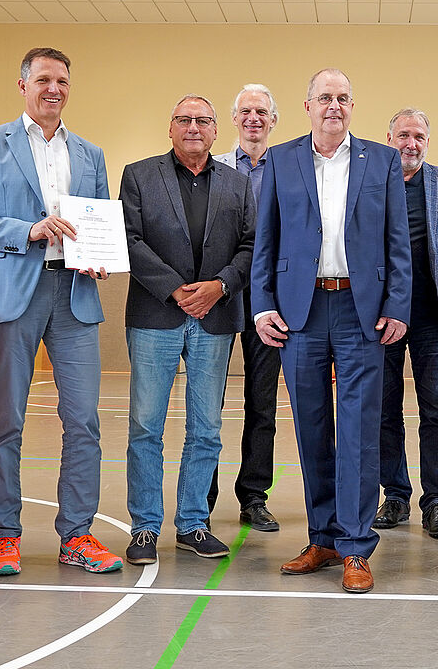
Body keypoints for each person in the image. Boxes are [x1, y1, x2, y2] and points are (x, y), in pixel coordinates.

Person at [0, 46, 123, 576]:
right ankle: (3, 534)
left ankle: (77, 535)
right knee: (5, 421)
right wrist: (27, 229)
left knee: (85, 422)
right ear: (23, 85)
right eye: (44, 79)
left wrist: (98, 259)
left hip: (74, 298)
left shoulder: (91, 155)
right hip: (13, 297)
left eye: (63, 81)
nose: (54, 89)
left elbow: (98, 222)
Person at [252, 68, 411, 594]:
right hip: (301, 311)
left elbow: (397, 244)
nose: (334, 106)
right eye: (325, 97)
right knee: (312, 429)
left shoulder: (383, 160)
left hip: (361, 311)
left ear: (352, 106)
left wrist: (398, 306)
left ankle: (356, 546)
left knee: (361, 432)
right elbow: (265, 241)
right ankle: (322, 537)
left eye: (343, 98)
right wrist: (261, 306)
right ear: (308, 105)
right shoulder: (281, 158)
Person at [121, 94, 256, 563]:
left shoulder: (239, 186)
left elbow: (251, 244)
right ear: (171, 128)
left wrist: (220, 286)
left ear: (216, 131)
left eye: (202, 120)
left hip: (215, 317)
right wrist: (177, 290)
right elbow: (130, 240)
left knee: (206, 428)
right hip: (156, 313)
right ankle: (144, 527)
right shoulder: (139, 176)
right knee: (145, 425)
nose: (193, 127)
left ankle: (193, 523)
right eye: (184, 119)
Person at [373, 108, 438, 540]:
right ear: (388, 138)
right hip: (380, 319)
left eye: (419, 136)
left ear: (427, 141)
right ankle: (395, 495)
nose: (411, 144)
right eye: (403, 135)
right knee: (384, 412)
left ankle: (436, 502)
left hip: (433, 317)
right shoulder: (372, 183)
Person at [208, 84, 283, 533]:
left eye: (262, 112)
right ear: (233, 120)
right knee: (208, 403)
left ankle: (254, 496)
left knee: (263, 403)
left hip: (269, 298)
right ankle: (203, 494)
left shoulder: (290, 168)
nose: (254, 118)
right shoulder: (213, 169)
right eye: (246, 111)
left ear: (273, 120)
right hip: (220, 292)